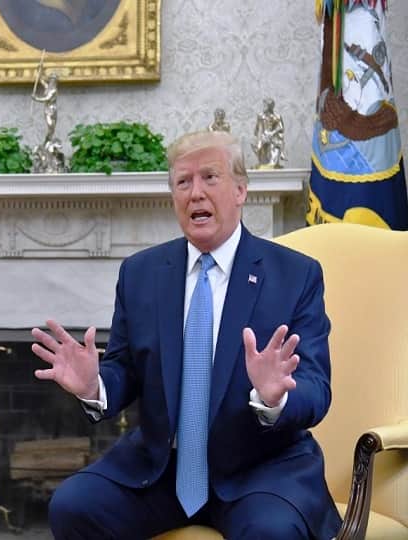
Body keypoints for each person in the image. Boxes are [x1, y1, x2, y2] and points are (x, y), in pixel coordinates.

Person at [31, 130, 341, 539]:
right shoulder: (141, 273)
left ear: (240, 190)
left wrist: (275, 397)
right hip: (163, 469)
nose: (196, 193)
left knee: (272, 530)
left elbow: (316, 387)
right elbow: (125, 368)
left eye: (210, 177)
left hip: (261, 469)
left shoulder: (295, 275)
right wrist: (95, 386)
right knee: (72, 506)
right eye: (183, 181)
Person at [251, 98, 286, 168]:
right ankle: (263, 161)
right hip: (264, 136)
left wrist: (272, 133)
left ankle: (275, 160)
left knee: (276, 146)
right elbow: (257, 127)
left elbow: (281, 128)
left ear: (270, 107)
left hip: (273, 137)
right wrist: (255, 136)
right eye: (263, 105)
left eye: (265, 105)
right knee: (259, 146)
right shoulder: (261, 116)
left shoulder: (277, 116)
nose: (263, 107)